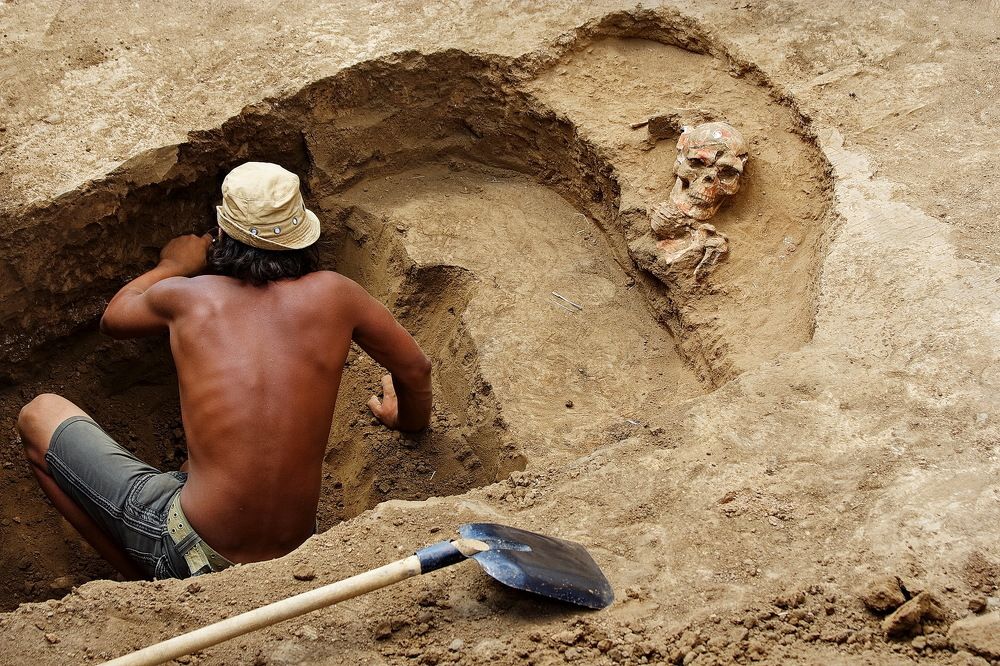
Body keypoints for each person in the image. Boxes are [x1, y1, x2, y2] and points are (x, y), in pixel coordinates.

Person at [17, 162, 432, 580]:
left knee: (38, 414)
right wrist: (408, 420)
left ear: (221, 233)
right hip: (296, 553)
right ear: (304, 234)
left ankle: (150, 582)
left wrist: (172, 264)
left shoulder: (186, 297)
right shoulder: (338, 295)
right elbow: (416, 370)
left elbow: (114, 317)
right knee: (196, 468)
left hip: (191, 550)